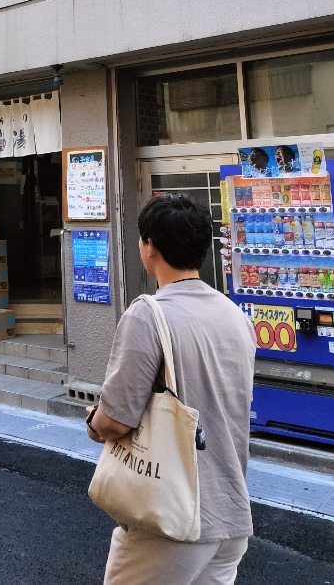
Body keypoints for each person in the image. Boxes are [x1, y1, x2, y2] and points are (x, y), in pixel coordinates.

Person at [86, 193, 256, 585]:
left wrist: (92, 424)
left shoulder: (148, 314)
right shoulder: (235, 316)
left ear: (150, 248)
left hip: (173, 518)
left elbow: (114, 421)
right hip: (231, 512)